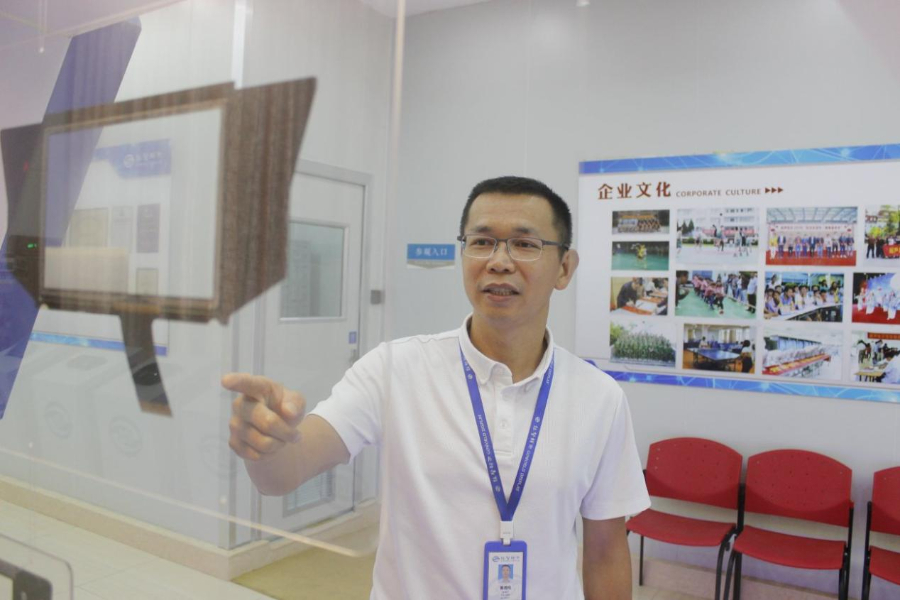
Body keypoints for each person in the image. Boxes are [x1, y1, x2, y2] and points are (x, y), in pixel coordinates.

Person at [223, 176, 650, 600]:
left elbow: (605, 551)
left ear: (564, 268)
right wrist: (267, 443)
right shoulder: (395, 368)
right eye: (481, 242)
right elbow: (286, 472)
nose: (499, 261)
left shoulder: (599, 397)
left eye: (525, 244)